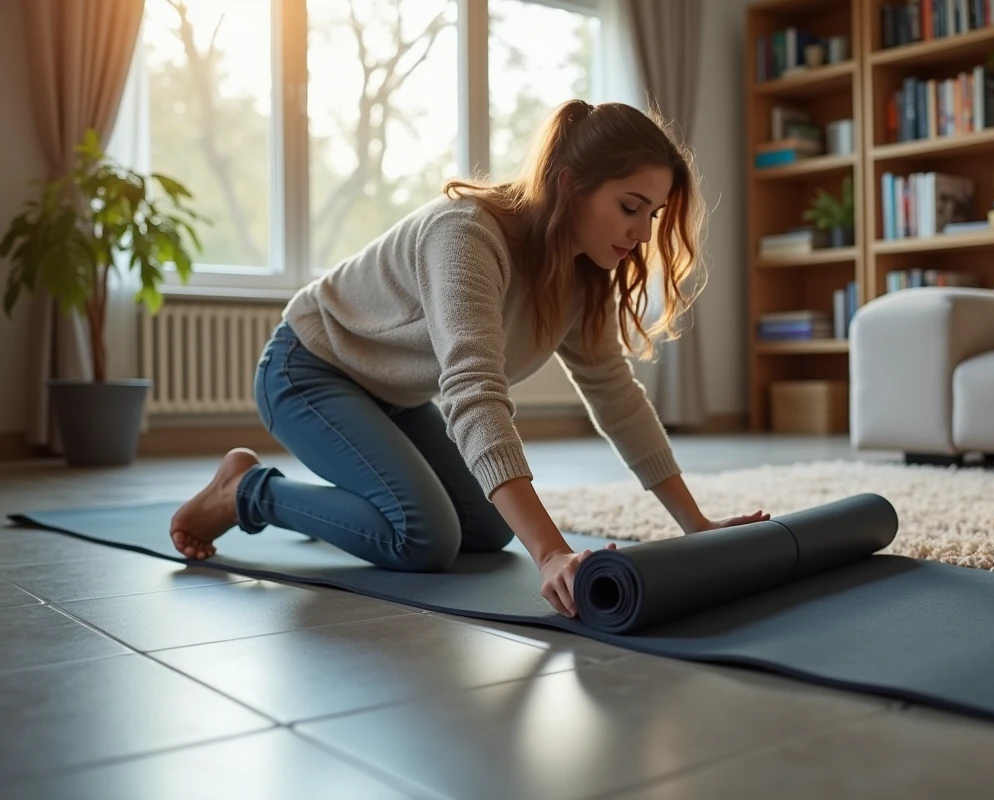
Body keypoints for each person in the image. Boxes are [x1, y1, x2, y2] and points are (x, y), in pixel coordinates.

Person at [169, 99, 769, 618]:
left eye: (653, 215)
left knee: (486, 531)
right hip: (306, 370)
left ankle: (350, 501)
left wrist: (698, 528)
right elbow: (474, 393)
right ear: (568, 184)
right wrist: (553, 554)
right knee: (423, 537)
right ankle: (244, 489)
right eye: (630, 206)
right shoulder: (466, 236)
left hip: (391, 395)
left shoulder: (584, 274)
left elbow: (615, 395)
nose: (642, 233)